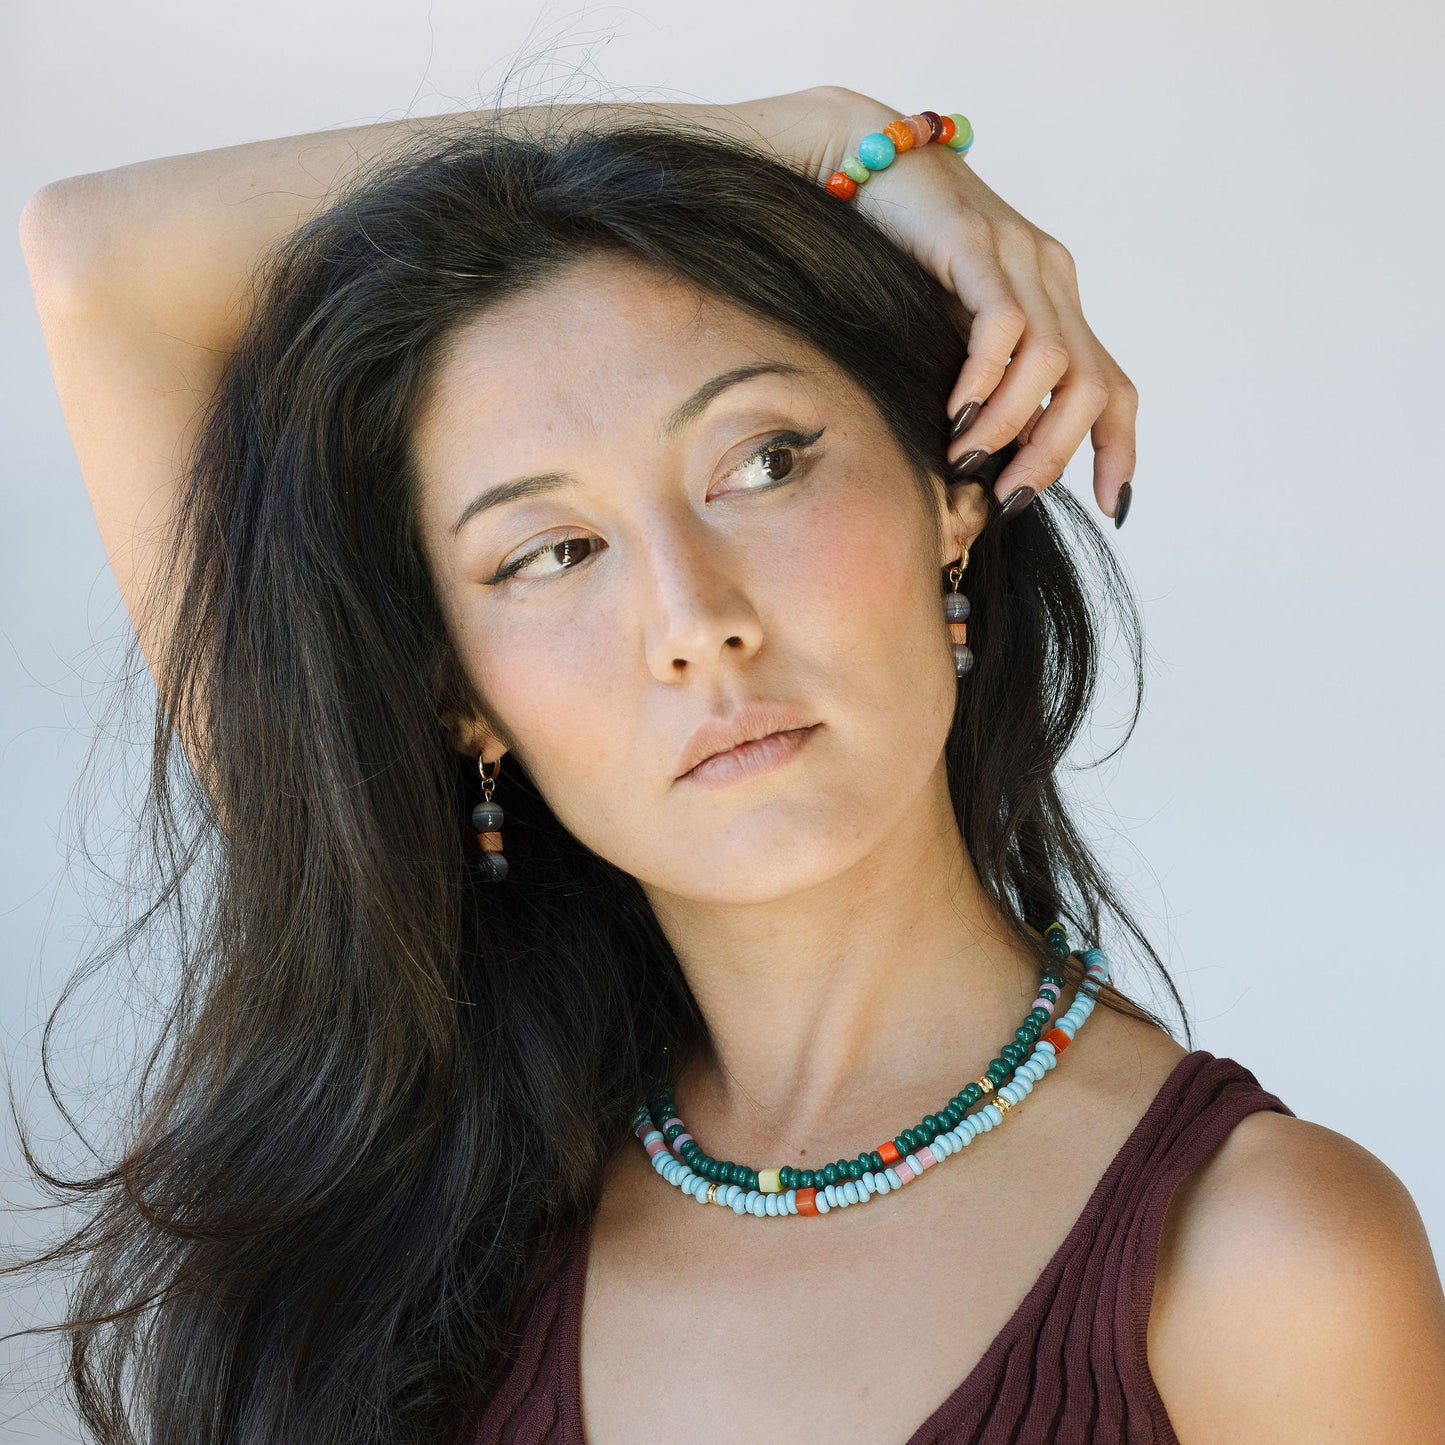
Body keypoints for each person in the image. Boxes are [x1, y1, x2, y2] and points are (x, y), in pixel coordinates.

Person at [13, 84, 1444, 1445]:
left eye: (762, 463)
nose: (697, 624)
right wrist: (803, 132)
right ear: (460, 698)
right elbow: (100, 260)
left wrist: (808, 166)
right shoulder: (445, 1187)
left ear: (950, 496)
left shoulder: (1263, 1261)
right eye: (551, 552)